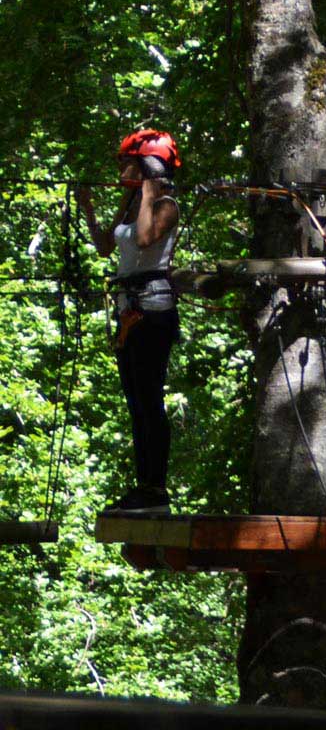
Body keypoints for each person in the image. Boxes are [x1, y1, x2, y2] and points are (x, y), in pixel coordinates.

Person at [80, 129, 183, 514]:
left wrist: (149, 191)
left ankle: (156, 489)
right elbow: (107, 246)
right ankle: (145, 487)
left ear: (147, 166)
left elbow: (143, 241)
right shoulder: (133, 202)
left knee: (149, 400)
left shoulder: (166, 205)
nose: (121, 168)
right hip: (130, 311)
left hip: (154, 311)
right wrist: (90, 208)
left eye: (128, 161)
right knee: (136, 403)